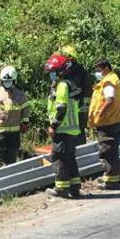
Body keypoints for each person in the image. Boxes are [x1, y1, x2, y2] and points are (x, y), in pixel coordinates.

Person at [44, 53, 81, 198]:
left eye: (52, 72)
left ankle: (61, 188)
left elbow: (61, 108)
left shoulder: (62, 86)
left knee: (58, 158)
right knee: (70, 158)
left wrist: (53, 126)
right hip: (71, 129)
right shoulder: (69, 85)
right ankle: (74, 187)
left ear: (60, 71)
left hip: (62, 129)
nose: (51, 75)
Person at [88, 58, 120, 190]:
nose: (97, 72)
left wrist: (100, 114)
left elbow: (109, 99)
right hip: (114, 120)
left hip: (109, 122)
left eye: (98, 69)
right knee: (112, 151)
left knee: (107, 152)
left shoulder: (108, 81)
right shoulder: (113, 79)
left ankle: (111, 181)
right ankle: (114, 178)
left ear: (106, 69)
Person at [0, 66, 30, 167]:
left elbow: (25, 109)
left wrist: (25, 123)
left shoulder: (20, 94)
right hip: (0, 131)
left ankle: (10, 177)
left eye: (9, 82)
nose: (7, 84)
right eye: (5, 82)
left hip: (14, 132)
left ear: (14, 81)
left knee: (11, 158)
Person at [58, 45, 92, 146]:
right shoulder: (64, 71)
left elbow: (87, 92)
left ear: (73, 58)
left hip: (78, 110)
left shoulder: (81, 72)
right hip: (66, 110)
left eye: (67, 59)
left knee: (79, 136)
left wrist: (83, 111)